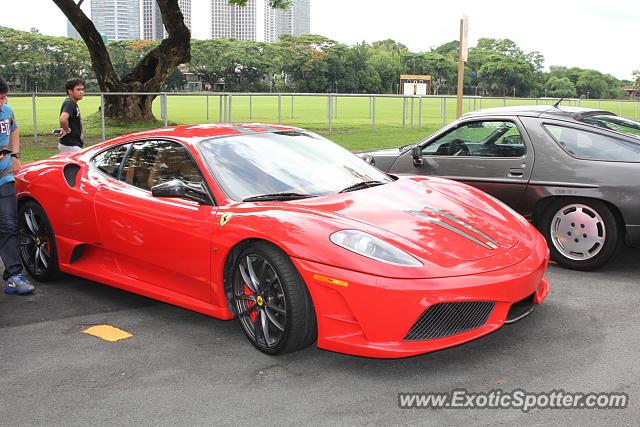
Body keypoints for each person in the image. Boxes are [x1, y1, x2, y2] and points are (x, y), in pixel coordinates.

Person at [0, 76, 35, 295]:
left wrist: (15, 154)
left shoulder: (7, 110)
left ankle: (14, 275)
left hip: (4, 177)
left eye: (3, 97)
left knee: (9, 225)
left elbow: (14, 129)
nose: (2, 102)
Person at [57, 78, 85, 153]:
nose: (82, 92)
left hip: (73, 144)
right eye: (78, 90)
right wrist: (66, 130)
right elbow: (63, 119)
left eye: (82, 89)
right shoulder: (69, 103)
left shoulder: (72, 103)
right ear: (70, 91)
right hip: (70, 145)